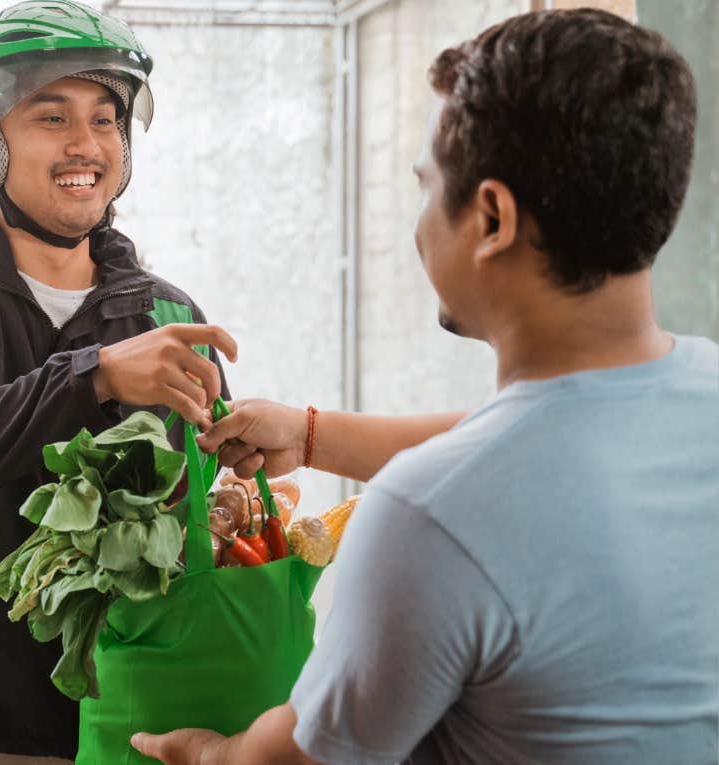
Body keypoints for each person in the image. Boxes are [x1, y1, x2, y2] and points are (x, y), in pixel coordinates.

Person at [133, 8, 717, 764]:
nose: (417, 223)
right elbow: (536, 443)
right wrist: (312, 434)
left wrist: (206, 751)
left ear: (493, 216)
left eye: (425, 185)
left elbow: (303, 758)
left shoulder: (427, 520)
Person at [0, 2, 235, 761]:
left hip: (144, 712)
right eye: (51, 118)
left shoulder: (167, 314)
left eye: (105, 119)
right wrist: (90, 378)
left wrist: (226, 505)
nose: (85, 145)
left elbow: (199, 514)